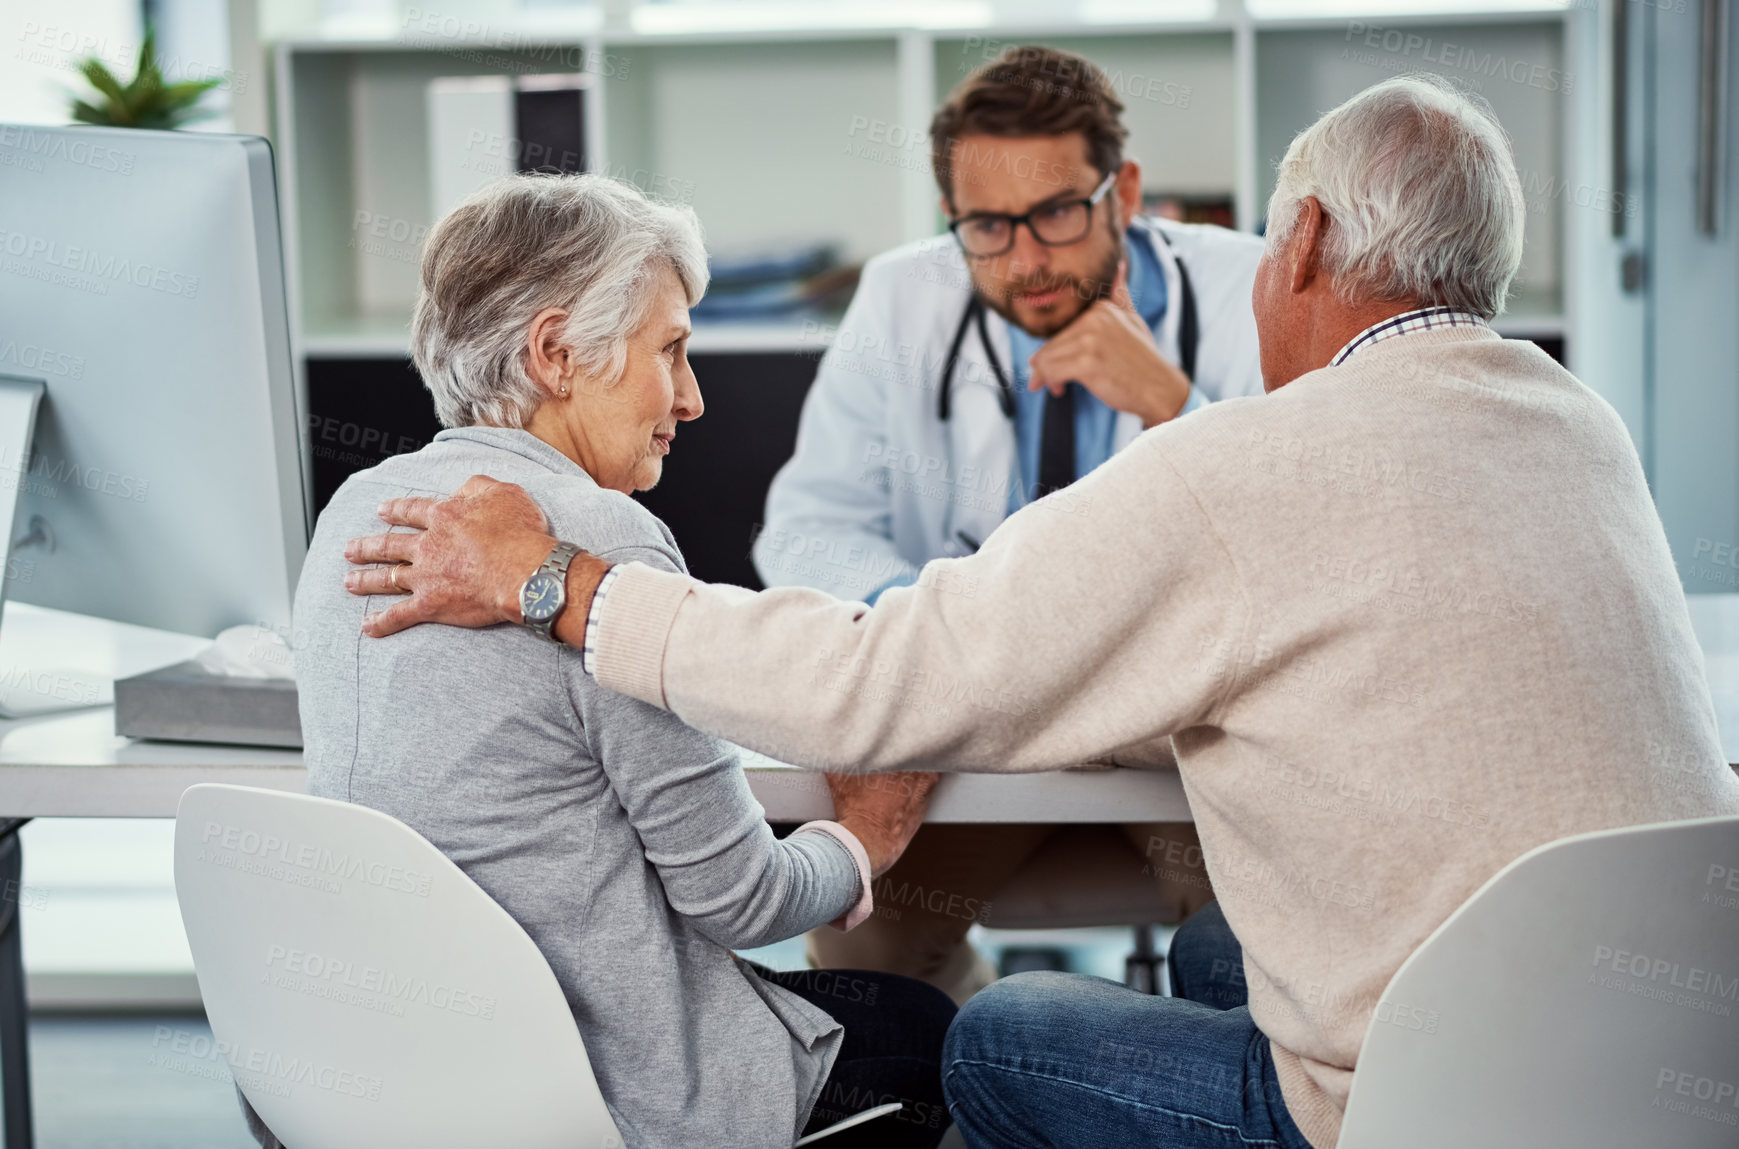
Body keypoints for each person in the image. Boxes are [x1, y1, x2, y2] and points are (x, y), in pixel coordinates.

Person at [338, 76, 1739, 1149]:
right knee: (1204, 952)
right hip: (1646, 1055)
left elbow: (882, 680)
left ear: (1299, 240)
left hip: (1414, 1104)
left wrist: (568, 588)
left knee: (992, 1038)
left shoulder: (1239, 452)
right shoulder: (1582, 426)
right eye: (983, 223)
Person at [287, 173, 956, 1149]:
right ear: (556, 352)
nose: (689, 398)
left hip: (392, 1073)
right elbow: (743, 902)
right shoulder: (600, 540)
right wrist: (866, 836)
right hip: (591, 1088)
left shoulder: (357, 509)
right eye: (670, 351)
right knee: (924, 1029)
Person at [754, 43, 1262, 1001]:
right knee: (869, 950)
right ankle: (985, 1067)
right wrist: (954, 630)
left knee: (1255, 959)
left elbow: (1302, 541)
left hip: (1178, 737)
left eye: (1057, 214)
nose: (1025, 259)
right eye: (986, 225)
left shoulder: (1248, 292)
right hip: (978, 729)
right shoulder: (903, 298)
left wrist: (1174, 409)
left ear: (1125, 191)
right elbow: (808, 526)